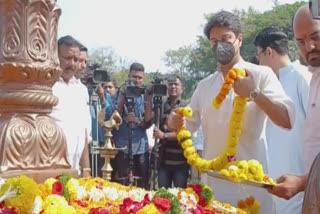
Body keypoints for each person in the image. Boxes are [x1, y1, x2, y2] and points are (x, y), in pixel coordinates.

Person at [167, 11, 295, 213]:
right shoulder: (204, 86)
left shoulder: (261, 74)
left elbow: (286, 119)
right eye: (214, 41)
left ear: (239, 40)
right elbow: (184, 126)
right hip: (214, 188)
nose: (220, 45)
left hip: (252, 189)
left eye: (226, 39)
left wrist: (253, 92)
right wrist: (173, 120)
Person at [268, 5, 320, 213]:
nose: (308, 46)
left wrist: (301, 182)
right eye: (300, 41)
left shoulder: (299, 77)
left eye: (316, 36)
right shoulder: (314, 76)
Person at [254, 27, 311, 214]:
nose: (258, 62)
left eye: (259, 56)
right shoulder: (266, 86)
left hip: (299, 183)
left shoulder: (303, 77)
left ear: (269, 52)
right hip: (274, 182)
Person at [51, 35, 91, 176]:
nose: (72, 64)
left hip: (75, 171)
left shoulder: (81, 90)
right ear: (55, 57)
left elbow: (83, 132)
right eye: (67, 58)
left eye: (76, 59)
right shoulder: (47, 86)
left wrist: (86, 170)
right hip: (50, 169)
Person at [112, 62, 152, 189]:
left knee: (143, 183)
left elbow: (148, 121)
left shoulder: (144, 94)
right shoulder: (120, 92)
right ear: (129, 75)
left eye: (140, 78)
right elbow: (114, 117)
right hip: (122, 145)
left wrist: (137, 121)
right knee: (122, 184)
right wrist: (123, 96)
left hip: (141, 147)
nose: (137, 80)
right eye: (134, 77)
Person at [152, 75, 189, 188]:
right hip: (163, 162)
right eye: (170, 84)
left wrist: (164, 135)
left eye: (176, 84)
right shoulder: (160, 106)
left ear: (182, 89)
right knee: (163, 197)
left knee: (180, 197)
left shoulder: (186, 106)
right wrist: (149, 96)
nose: (173, 86)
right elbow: (149, 120)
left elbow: (186, 132)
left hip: (181, 162)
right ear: (167, 88)